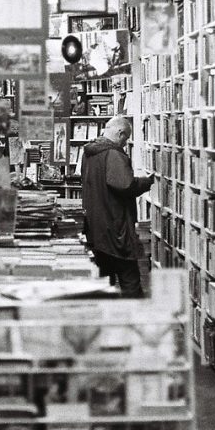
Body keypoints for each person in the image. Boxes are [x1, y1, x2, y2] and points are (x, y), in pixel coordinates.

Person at [81, 116, 154, 297]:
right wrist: (145, 182)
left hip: (96, 228)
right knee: (130, 281)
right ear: (120, 133)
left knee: (105, 283)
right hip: (116, 229)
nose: (125, 143)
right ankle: (135, 321)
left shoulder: (89, 152)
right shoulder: (113, 154)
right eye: (125, 138)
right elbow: (124, 185)